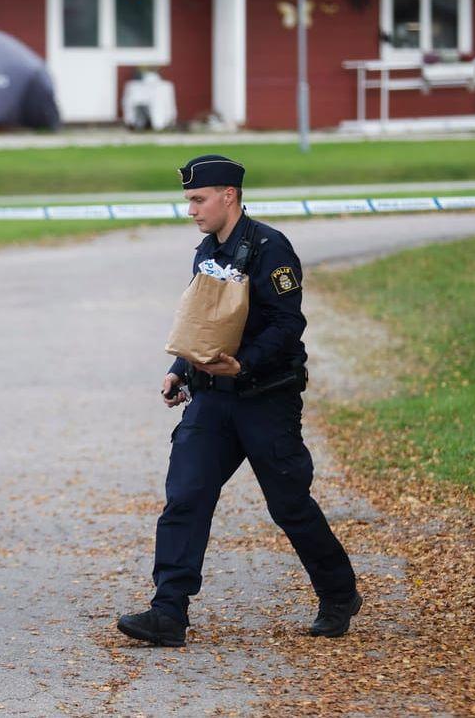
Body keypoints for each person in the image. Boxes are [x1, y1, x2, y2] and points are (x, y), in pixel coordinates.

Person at [117, 155, 361, 648]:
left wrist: (243, 364)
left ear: (228, 196)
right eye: (189, 200)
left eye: (198, 199)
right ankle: (168, 614)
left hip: (265, 399)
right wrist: (179, 370)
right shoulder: (207, 251)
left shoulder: (272, 248)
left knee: (289, 505)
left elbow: (288, 326)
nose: (191, 210)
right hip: (212, 401)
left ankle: (339, 593)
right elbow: (204, 324)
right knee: (186, 497)